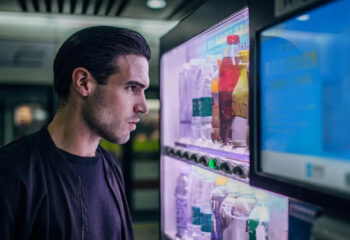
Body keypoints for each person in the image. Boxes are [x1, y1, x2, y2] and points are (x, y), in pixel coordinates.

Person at [0, 26, 151, 240]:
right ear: (83, 82)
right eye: (131, 88)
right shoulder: (12, 172)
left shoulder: (111, 168)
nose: (143, 107)